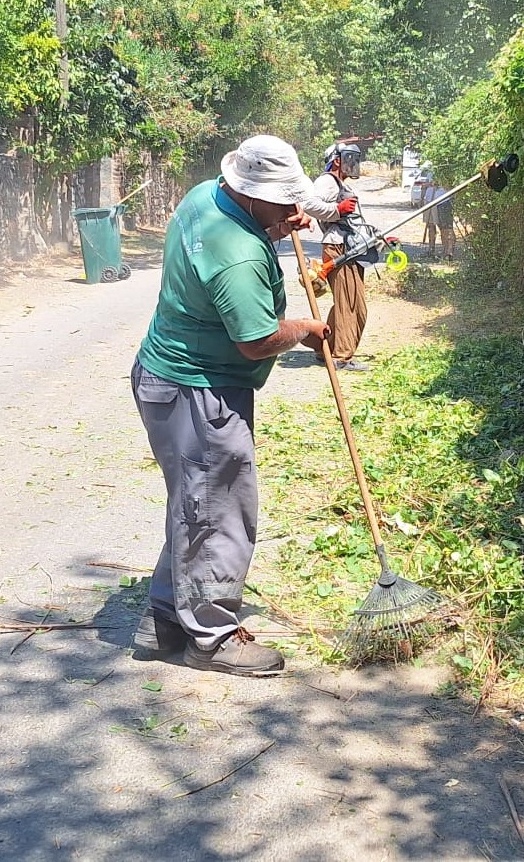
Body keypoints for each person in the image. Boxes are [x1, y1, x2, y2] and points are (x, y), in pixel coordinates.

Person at [130, 135, 330, 677]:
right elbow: (257, 338)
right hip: (200, 392)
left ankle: (165, 617)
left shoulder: (204, 197)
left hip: (162, 377)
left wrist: (273, 224)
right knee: (219, 510)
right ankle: (213, 637)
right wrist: (306, 330)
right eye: (284, 201)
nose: (293, 211)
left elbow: (237, 240)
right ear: (251, 194)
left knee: (193, 502)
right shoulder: (238, 256)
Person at [307, 141, 370, 371]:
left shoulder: (341, 184)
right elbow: (308, 204)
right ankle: (341, 356)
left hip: (350, 246)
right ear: (337, 160)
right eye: (349, 158)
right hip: (338, 248)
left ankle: (325, 346)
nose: (353, 164)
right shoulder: (326, 181)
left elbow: (353, 221)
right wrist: (336, 211)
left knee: (353, 304)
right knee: (348, 304)